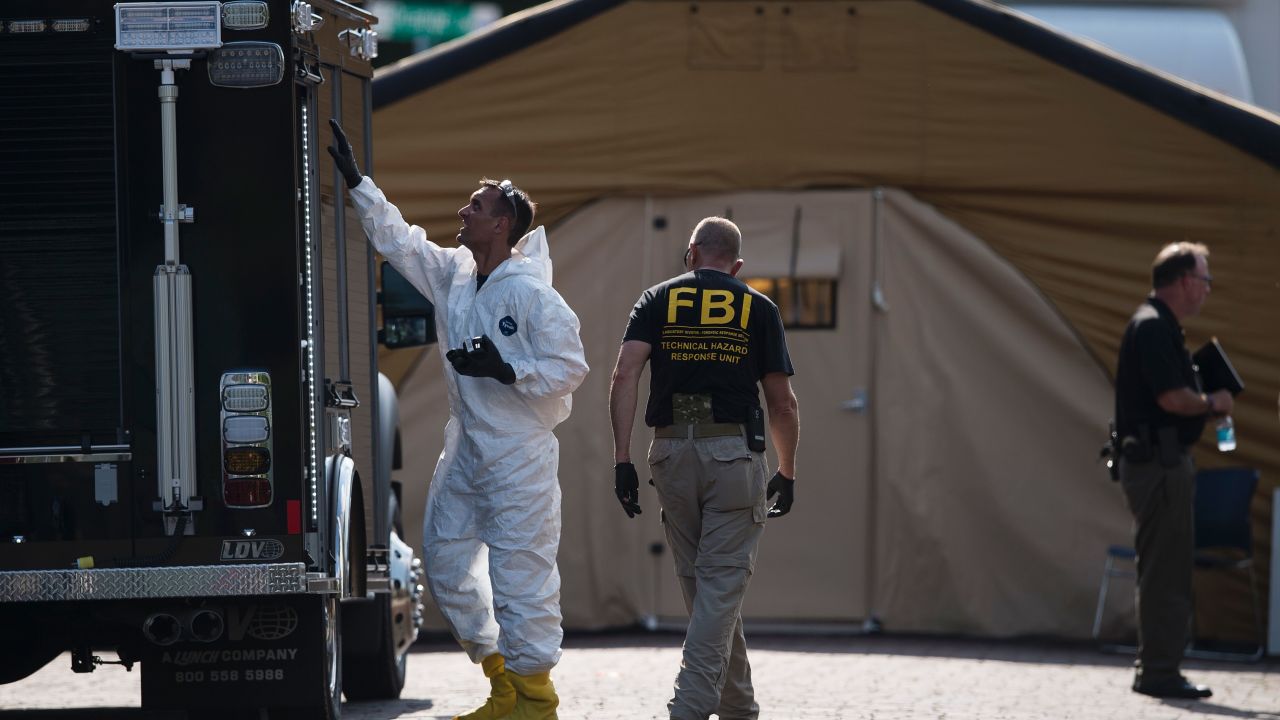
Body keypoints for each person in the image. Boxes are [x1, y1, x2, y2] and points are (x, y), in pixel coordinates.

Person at [329, 120, 588, 720]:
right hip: (469, 448)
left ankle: (536, 701)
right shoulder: (456, 276)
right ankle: (502, 682)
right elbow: (403, 244)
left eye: (476, 206)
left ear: (502, 225)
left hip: (519, 453)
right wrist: (359, 184)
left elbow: (570, 366)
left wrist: (508, 370)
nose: (462, 212)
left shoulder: (532, 295)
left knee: (522, 577)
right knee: (444, 564)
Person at [608, 217, 800, 720]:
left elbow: (625, 372)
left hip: (670, 454)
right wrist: (788, 469)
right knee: (718, 589)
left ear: (690, 253)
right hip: (733, 455)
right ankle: (687, 710)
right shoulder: (758, 307)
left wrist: (622, 459)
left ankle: (739, 709)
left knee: (705, 588)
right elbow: (782, 404)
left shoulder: (655, 299)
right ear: (736, 266)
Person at [1114, 241, 1232, 700]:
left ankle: (1159, 666)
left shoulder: (1159, 327)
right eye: (1204, 279)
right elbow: (1171, 399)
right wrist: (1212, 403)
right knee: (1166, 571)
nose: (1206, 290)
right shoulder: (1153, 328)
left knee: (1165, 567)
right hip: (1157, 465)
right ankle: (1160, 671)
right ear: (1184, 281)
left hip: (1159, 462)